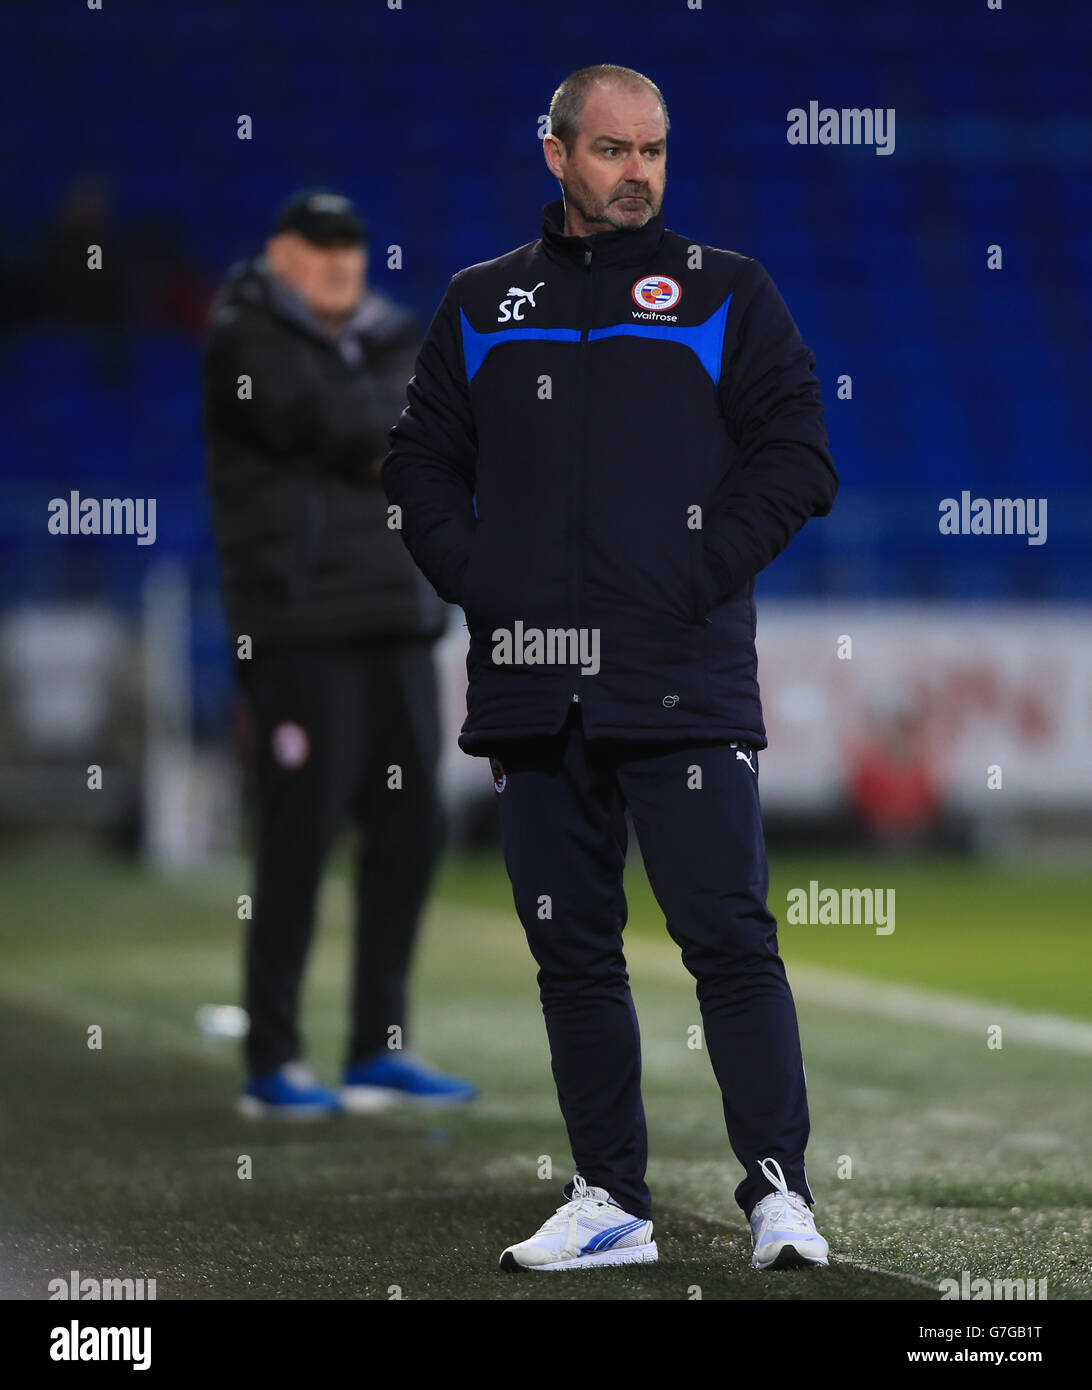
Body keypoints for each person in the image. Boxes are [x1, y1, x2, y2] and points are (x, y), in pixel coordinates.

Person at [383, 66, 837, 1271]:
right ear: (556, 154)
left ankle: (780, 1194)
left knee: (730, 943)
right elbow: (417, 463)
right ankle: (610, 1199)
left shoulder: (726, 291)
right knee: (570, 952)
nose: (637, 171)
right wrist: (482, 578)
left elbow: (799, 455)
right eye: (613, 150)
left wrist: (694, 572)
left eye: (654, 151)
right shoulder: (483, 301)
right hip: (534, 683)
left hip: (680, 677)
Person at [203, 188, 477, 1118]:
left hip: (400, 619)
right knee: (298, 840)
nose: (337, 259)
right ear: (279, 252)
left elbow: (420, 431)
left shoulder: (396, 336)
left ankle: (378, 1048)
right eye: (318, 244)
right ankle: (273, 1061)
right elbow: (323, 424)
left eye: (350, 244)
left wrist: (390, 438)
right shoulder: (243, 339)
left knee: (409, 837)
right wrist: (392, 437)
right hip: (300, 628)